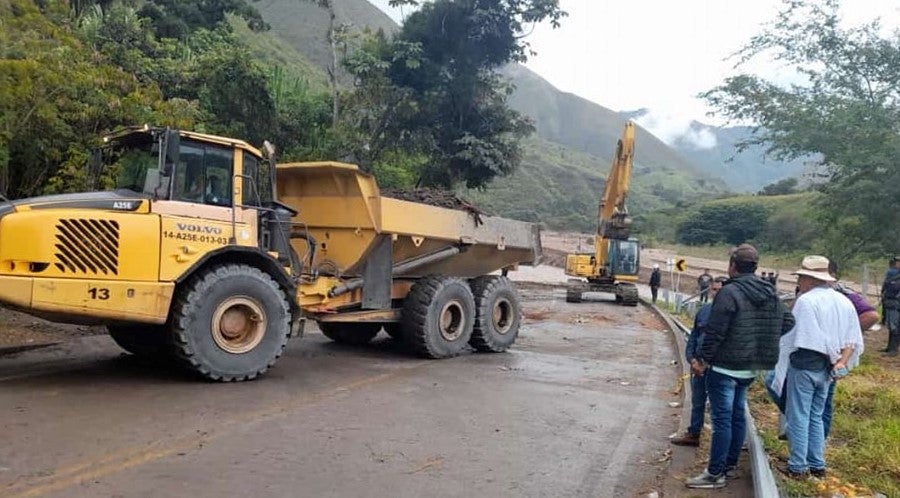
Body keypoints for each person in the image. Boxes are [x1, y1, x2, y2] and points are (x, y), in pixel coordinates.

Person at [686, 244, 795, 489]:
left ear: (732, 266)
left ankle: (715, 474)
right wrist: (759, 339)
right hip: (751, 368)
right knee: (737, 416)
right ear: (755, 267)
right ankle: (729, 465)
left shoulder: (729, 292)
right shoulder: (769, 292)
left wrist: (702, 361)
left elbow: (715, 332)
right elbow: (788, 321)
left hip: (724, 367)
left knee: (722, 420)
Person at [769, 256, 863, 479]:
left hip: (806, 363)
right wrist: (839, 361)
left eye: (802, 276)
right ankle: (817, 463)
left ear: (810, 279)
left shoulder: (807, 301)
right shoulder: (844, 302)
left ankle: (798, 466)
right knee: (816, 415)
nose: (800, 281)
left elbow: (800, 336)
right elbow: (852, 339)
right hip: (831, 369)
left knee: (799, 414)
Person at [671, 276, 728, 447]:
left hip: (718, 366)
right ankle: (693, 432)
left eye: (720, 290)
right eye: (714, 290)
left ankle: (722, 442)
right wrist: (692, 359)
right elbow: (694, 336)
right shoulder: (704, 311)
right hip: (699, 365)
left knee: (721, 407)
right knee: (698, 401)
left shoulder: (730, 314)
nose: (716, 293)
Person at [881, 257, 900, 355]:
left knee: (894, 326)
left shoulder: (894, 274)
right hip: (890, 302)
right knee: (892, 326)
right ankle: (890, 348)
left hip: (894, 303)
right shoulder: (893, 273)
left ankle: (893, 350)